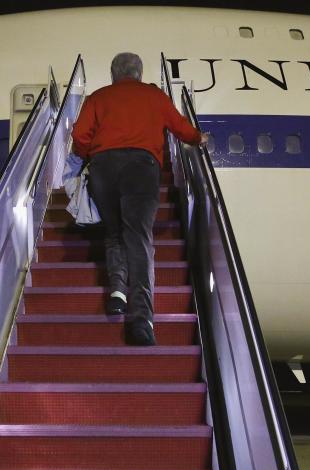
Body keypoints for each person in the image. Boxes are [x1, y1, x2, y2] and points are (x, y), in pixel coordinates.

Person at [72, 52, 205, 346]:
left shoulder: (97, 97)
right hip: (141, 168)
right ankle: (142, 320)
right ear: (140, 73)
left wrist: (86, 156)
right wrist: (198, 138)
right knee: (139, 237)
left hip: (104, 167)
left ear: (113, 73)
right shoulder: (153, 96)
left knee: (114, 233)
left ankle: (117, 291)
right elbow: (179, 127)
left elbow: (80, 135)